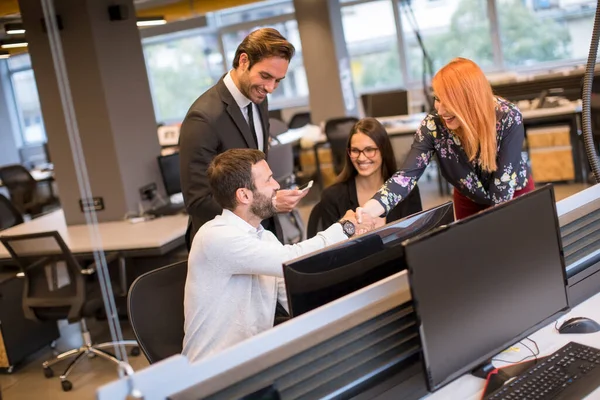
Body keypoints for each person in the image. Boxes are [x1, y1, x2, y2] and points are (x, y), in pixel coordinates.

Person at [182, 149, 374, 363]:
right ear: (244, 195)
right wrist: (345, 228)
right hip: (210, 373)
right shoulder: (215, 236)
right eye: (269, 180)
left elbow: (297, 298)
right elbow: (295, 258)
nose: (276, 186)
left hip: (253, 362)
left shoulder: (265, 239)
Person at [356, 57, 534, 223]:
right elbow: (406, 176)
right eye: (437, 99)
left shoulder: (507, 117)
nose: (440, 111)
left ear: (468, 99)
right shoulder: (433, 125)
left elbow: (503, 187)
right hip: (469, 198)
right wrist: (369, 210)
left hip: (514, 193)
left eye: (447, 102)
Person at [179, 28, 307, 248]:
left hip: (259, 235)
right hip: (223, 244)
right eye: (265, 76)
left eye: (278, 81)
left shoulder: (258, 97)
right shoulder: (203, 118)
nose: (270, 88)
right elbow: (198, 201)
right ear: (244, 60)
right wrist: (268, 205)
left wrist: (270, 198)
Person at [318, 118, 423, 231]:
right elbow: (331, 245)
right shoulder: (332, 197)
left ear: (383, 151)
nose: (361, 158)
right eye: (355, 151)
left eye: (369, 150)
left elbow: (417, 239)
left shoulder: (406, 189)